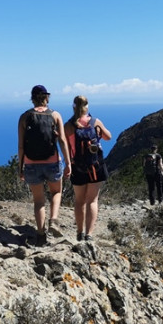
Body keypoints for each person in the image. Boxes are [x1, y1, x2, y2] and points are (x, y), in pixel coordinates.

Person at [18, 86, 71, 246]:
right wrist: (68, 162)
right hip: (52, 162)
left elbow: (21, 146)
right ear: (47, 97)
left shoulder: (25, 117)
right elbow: (62, 140)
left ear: (32, 98)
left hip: (31, 164)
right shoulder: (55, 115)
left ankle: (41, 235)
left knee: (39, 201)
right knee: (56, 192)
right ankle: (53, 220)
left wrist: (20, 167)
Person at [65, 95, 112, 241]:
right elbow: (108, 137)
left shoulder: (68, 126)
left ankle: (79, 233)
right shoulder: (95, 122)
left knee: (79, 200)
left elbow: (66, 147)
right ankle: (89, 234)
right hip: (95, 166)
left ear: (73, 107)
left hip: (77, 167)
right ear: (87, 106)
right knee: (92, 200)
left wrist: (68, 165)